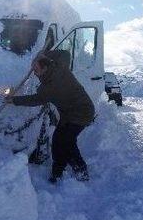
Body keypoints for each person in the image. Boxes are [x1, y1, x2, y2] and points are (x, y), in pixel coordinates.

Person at [8, 54, 95, 183]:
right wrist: (44, 55)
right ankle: (61, 169)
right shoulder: (59, 66)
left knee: (65, 142)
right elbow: (61, 55)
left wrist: (14, 100)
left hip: (81, 113)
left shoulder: (50, 86)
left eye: (36, 70)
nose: (35, 73)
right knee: (60, 140)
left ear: (45, 68)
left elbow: (35, 99)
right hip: (71, 113)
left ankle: (76, 171)